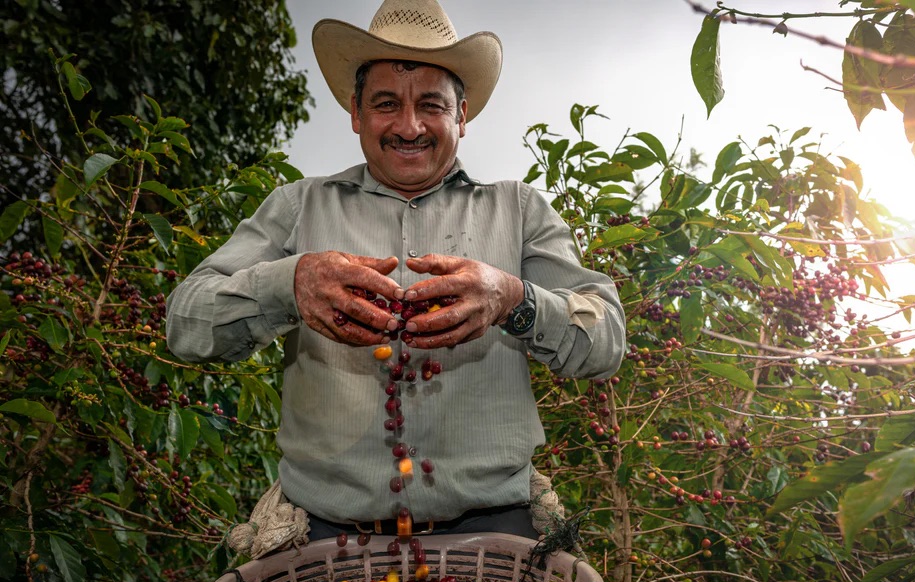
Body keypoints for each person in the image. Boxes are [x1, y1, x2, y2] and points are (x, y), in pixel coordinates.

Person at [165, 0, 625, 548]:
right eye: (386, 104)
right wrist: (289, 284)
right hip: (328, 537)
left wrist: (512, 298)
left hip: (493, 531)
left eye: (431, 105)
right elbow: (186, 323)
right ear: (356, 113)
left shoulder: (519, 211)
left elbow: (605, 342)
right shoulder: (298, 207)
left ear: (462, 116)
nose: (409, 126)